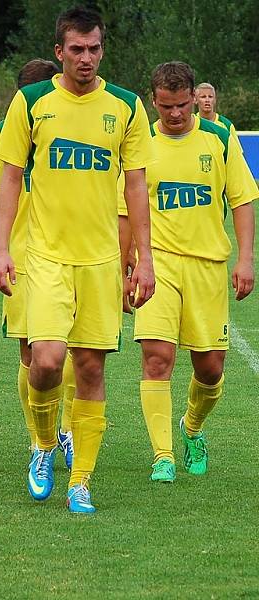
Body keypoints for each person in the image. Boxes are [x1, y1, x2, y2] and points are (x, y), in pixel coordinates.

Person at [0, 6, 156, 513]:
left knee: (90, 369)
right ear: (59, 52)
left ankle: (80, 479)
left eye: (95, 49)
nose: (87, 58)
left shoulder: (126, 107)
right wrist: (0, 248)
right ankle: (43, 444)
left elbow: (136, 188)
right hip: (45, 256)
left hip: (101, 259)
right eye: (77, 49)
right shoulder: (32, 100)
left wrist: (143, 261)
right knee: (45, 361)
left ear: (102, 50)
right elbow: (10, 177)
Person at [120, 62, 256, 483]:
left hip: (208, 266)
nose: (175, 114)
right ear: (153, 100)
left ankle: (191, 428)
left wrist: (246, 258)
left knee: (211, 368)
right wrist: (126, 263)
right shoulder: (139, 141)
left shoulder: (219, 137)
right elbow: (127, 207)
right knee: (157, 358)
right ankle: (162, 455)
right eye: (166, 106)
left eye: (182, 105)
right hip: (156, 264)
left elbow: (242, 199)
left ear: (195, 98)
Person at [0, 58, 80, 468]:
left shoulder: (74, 127)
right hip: (21, 256)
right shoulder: (5, 133)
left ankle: (64, 431)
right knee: (32, 351)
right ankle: (40, 439)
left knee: (65, 350)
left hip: (74, 252)